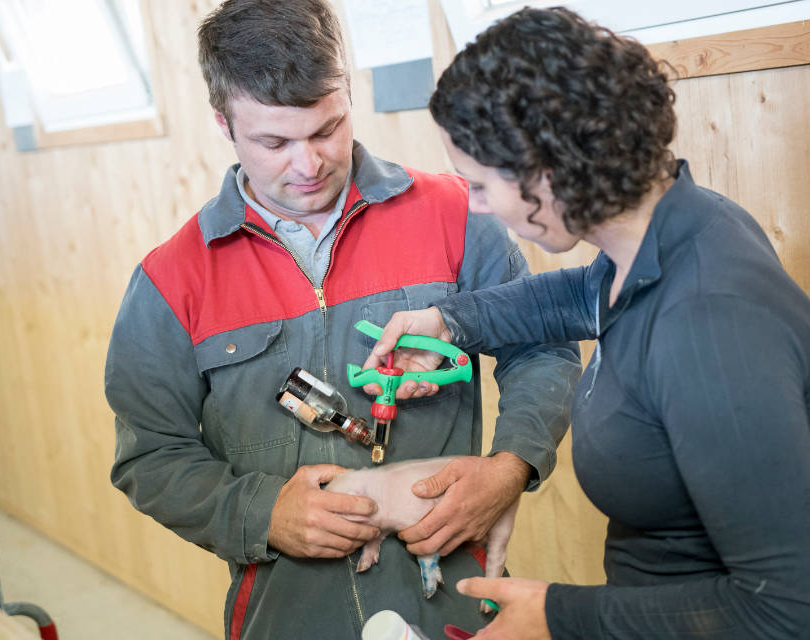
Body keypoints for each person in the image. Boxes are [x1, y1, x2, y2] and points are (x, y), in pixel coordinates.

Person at [364, 7, 810, 639]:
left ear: (546, 173)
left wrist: (556, 617)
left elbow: (793, 614)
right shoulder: (675, 228)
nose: (477, 206)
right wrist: (450, 318)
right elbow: (580, 295)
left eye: (480, 185)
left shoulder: (712, 332)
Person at [103, 1, 581, 638]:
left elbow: (541, 349)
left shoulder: (455, 214)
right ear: (224, 123)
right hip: (288, 612)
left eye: (327, 129)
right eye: (274, 142)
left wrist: (511, 465)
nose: (309, 164)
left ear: (348, 93)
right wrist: (263, 513)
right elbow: (152, 455)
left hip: (449, 596)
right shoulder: (172, 280)